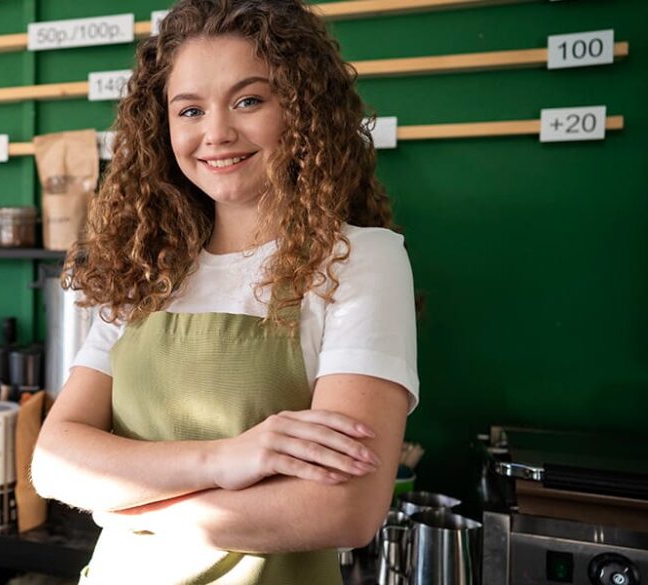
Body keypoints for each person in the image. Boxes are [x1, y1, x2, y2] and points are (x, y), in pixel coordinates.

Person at [30, 1, 419, 583]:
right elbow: (55, 464)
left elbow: (342, 510)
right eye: (189, 109)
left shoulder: (361, 259)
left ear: (303, 110)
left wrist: (134, 510)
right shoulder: (146, 269)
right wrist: (228, 459)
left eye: (248, 100)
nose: (215, 133)